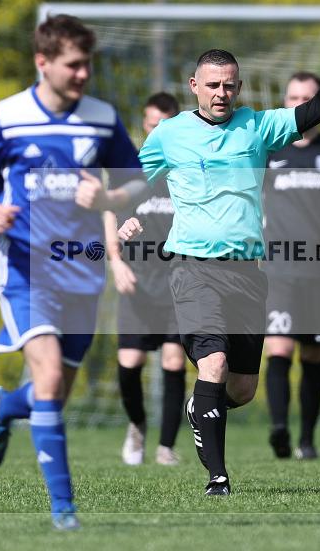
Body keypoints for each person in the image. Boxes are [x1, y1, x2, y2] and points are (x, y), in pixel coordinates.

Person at [137, 0, 320, 495]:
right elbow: (134, 181)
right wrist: (123, 216)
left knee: (240, 388)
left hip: (248, 274)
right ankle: (218, 479)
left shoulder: (257, 127)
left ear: (239, 87)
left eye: (229, 85)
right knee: (211, 365)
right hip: (194, 269)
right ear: (193, 86)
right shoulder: (169, 135)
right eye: (212, 85)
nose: (221, 93)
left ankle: (202, 405)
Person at [0, 14, 144, 531]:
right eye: (73, 65)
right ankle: (65, 513)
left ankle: (4, 406)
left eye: (87, 65)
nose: (83, 75)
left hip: (81, 270)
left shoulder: (102, 117)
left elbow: (138, 180)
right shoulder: (6, 117)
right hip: (23, 269)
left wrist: (109, 197)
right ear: (43, 63)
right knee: (51, 377)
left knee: (52, 391)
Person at [262, 71, 320, 460]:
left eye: (308, 97)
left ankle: (307, 439)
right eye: (292, 97)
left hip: (319, 269)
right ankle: (280, 430)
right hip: (277, 268)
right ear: (285, 103)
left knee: (314, 355)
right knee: (279, 349)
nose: (299, 103)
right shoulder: (269, 152)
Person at [102, 92, 188, 466]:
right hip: (137, 280)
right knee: (130, 361)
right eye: (153, 124)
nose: (159, 130)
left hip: (177, 279)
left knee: (173, 360)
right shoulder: (130, 168)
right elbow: (110, 212)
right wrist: (116, 258)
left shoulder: (187, 166)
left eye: (166, 124)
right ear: (144, 125)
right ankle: (136, 426)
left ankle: (166, 446)